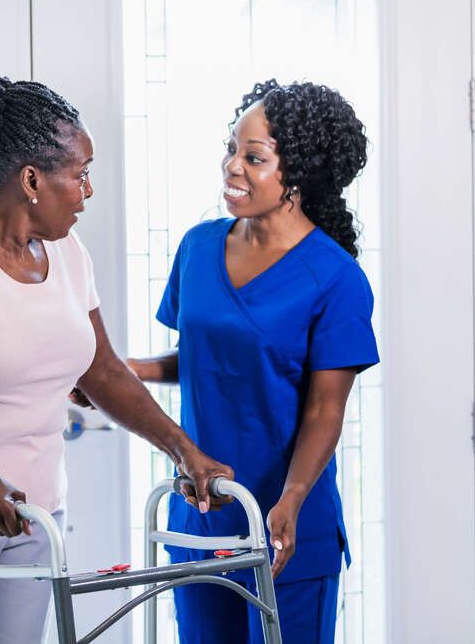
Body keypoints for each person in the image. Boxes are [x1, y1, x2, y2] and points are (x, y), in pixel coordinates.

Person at [0, 74, 231, 644]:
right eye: (79, 175)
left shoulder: (68, 253)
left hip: (32, 516)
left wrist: (184, 450)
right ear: (31, 179)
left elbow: (102, 371)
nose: (88, 191)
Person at [127, 79, 380, 644]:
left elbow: (323, 411)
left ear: (300, 177)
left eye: (254, 157)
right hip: (204, 516)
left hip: (285, 524)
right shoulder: (198, 246)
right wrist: (129, 372)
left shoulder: (335, 278)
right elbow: (205, 360)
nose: (232, 167)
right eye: (232, 149)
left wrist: (290, 499)